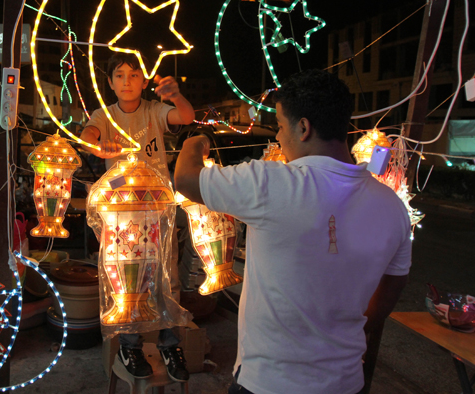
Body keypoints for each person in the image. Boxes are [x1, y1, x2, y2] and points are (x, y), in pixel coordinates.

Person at [174, 69, 411, 394]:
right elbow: (391, 288)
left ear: (303, 128)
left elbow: (186, 180)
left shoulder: (270, 183)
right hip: (345, 383)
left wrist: (196, 141)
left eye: (281, 128)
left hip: (268, 383)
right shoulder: (392, 206)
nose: (277, 139)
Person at [80, 52, 195, 382]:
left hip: (158, 211)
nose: (126, 81)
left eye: (134, 75)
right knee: (129, 277)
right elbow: (88, 135)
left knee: (165, 275)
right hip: (121, 216)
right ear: (110, 82)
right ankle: (130, 345)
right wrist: (98, 147)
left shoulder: (154, 112)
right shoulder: (105, 115)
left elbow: (185, 117)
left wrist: (175, 96)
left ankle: (169, 344)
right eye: (119, 75)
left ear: (144, 82)